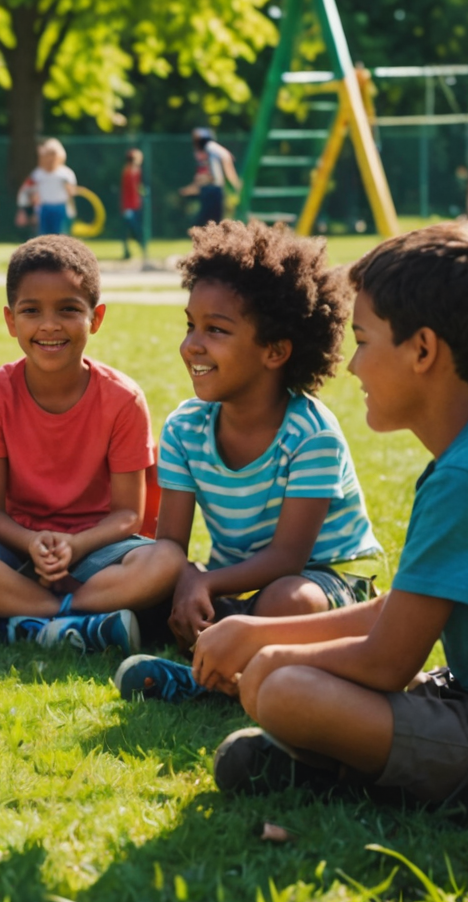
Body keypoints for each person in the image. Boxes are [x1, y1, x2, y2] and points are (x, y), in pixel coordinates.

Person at [186, 223, 468, 822]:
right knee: (281, 683)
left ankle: (341, 771)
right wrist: (252, 632)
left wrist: (268, 649)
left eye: (365, 341)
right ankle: (331, 764)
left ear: (422, 351)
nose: (352, 367)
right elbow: (398, 611)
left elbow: (387, 662)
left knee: (285, 688)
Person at [113, 219, 384, 701]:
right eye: (190, 325)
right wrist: (187, 581)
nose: (192, 344)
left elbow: (288, 559)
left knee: (288, 600)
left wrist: (204, 581)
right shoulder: (184, 428)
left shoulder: (311, 435)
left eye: (215, 330)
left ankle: (212, 683)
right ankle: (222, 648)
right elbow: (170, 544)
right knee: (153, 583)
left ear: (276, 351)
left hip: (325, 582)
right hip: (236, 584)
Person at [0, 236, 179, 650]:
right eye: (31, 311)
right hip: (14, 552)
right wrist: (32, 543)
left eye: (69, 310)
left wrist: (75, 546)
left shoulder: (123, 399)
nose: (49, 325)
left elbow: (128, 514)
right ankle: (70, 622)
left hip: (96, 553)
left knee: (167, 560)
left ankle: (6, 623)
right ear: (10, 320)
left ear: (96, 317)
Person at [18, 139, 78, 237]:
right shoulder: (37, 174)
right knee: (43, 235)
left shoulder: (66, 174)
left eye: (53, 155)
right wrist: (27, 210)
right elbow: (29, 191)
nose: (50, 159)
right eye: (48, 155)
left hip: (61, 207)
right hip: (44, 207)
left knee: (61, 236)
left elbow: (71, 193)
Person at [182, 129, 239, 228]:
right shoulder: (206, 150)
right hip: (211, 189)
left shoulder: (209, 147)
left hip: (213, 189)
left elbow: (225, 159)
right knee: (211, 222)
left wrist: (234, 181)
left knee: (206, 222)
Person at [120, 147, 150, 264]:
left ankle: (137, 251)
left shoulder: (136, 171)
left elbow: (137, 188)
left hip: (135, 205)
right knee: (133, 230)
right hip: (129, 207)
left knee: (135, 229)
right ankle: (134, 251)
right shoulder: (128, 171)